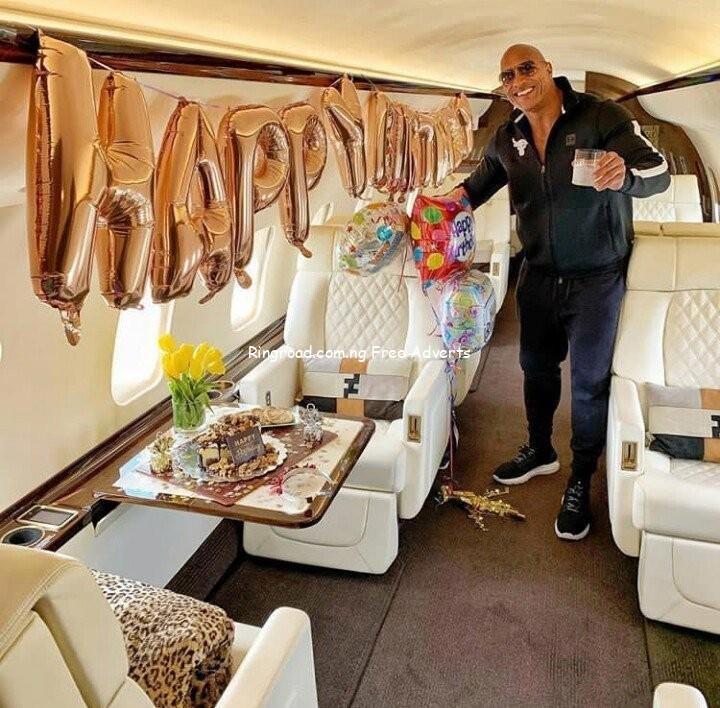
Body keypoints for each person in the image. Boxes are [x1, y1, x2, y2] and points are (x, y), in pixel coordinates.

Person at [462, 44, 670, 541]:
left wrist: (624, 176)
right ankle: (540, 450)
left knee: (589, 383)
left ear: (549, 69)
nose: (518, 81)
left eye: (527, 69)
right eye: (507, 76)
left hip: (597, 278)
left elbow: (657, 172)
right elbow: (470, 191)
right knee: (535, 368)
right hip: (537, 275)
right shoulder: (507, 137)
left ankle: (580, 476)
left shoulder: (601, 115)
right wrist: (428, 208)